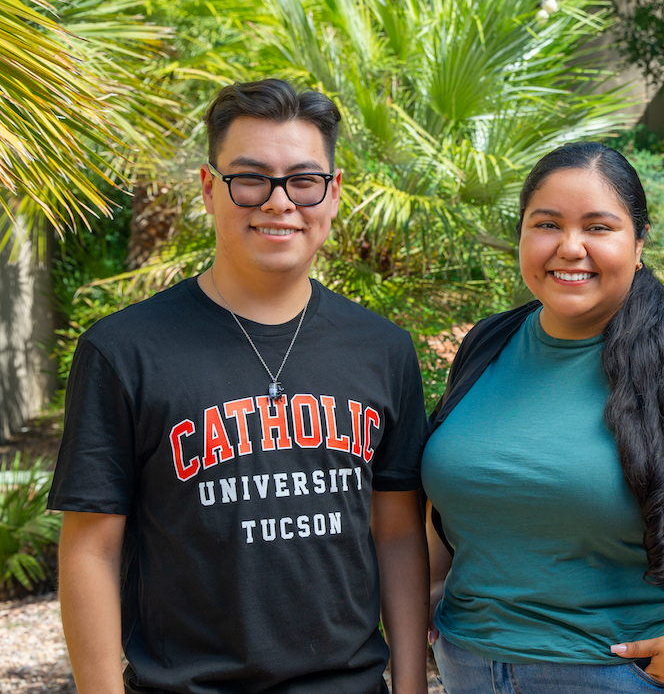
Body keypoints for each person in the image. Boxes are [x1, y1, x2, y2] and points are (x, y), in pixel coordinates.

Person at [50, 79, 430, 694]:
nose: (279, 203)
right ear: (209, 187)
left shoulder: (383, 350)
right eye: (250, 179)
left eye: (303, 181)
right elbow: (91, 548)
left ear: (332, 193)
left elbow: (397, 533)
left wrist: (411, 684)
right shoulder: (124, 351)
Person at [421, 142, 664, 694]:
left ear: (639, 242)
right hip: (470, 668)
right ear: (522, 235)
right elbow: (455, 485)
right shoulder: (487, 344)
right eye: (546, 224)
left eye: (599, 227)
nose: (570, 247)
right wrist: (432, 586)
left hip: (624, 676)